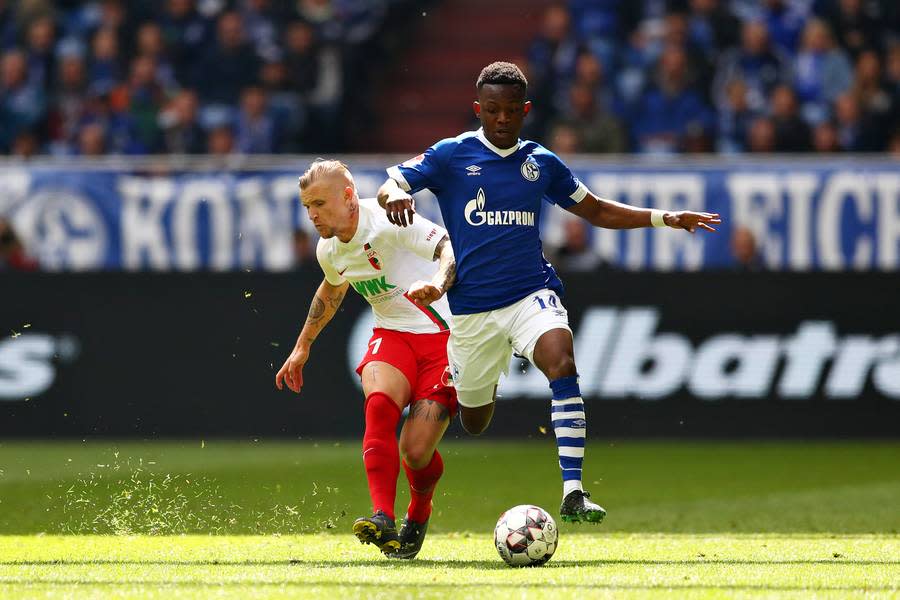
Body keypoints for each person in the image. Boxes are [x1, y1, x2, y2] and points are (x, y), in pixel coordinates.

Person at [378, 62, 720, 524]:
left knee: (561, 358)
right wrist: (395, 193)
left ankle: (574, 490)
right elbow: (393, 180)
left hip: (530, 293)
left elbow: (596, 209)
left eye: (511, 111)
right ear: (478, 109)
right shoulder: (451, 155)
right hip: (473, 311)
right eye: (493, 110)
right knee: (474, 422)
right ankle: (484, 381)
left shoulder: (541, 163)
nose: (502, 119)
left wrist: (666, 217)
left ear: (526, 111)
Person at [275, 160, 457, 560]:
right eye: (307, 206)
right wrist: (303, 345)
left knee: (415, 451)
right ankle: (382, 516)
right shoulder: (329, 249)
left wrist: (438, 284)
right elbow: (333, 288)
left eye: (319, 203)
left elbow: (447, 247)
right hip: (391, 335)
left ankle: (419, 510)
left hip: (443, 340)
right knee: (378, 404)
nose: (312, 215)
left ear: (348, 196)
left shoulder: (390, 220)